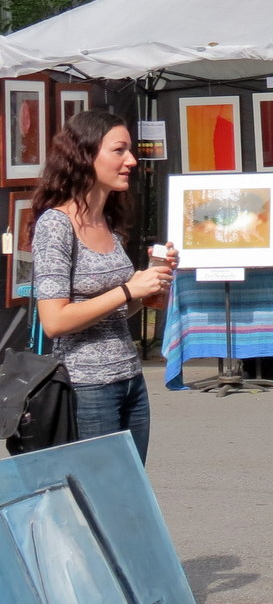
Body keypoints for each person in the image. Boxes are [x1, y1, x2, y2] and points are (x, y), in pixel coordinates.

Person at [31, 109, 176, 465]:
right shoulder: (56, 224)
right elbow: (54, 321)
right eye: (119, 150)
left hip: (130, 380)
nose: (131, 161)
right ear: (85, 155)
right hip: (86, 387)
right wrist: (128, 290)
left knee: (130, 489)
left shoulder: (106, 218)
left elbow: (114, 312)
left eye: (130, 150)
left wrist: (150, 286)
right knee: (100, 491)